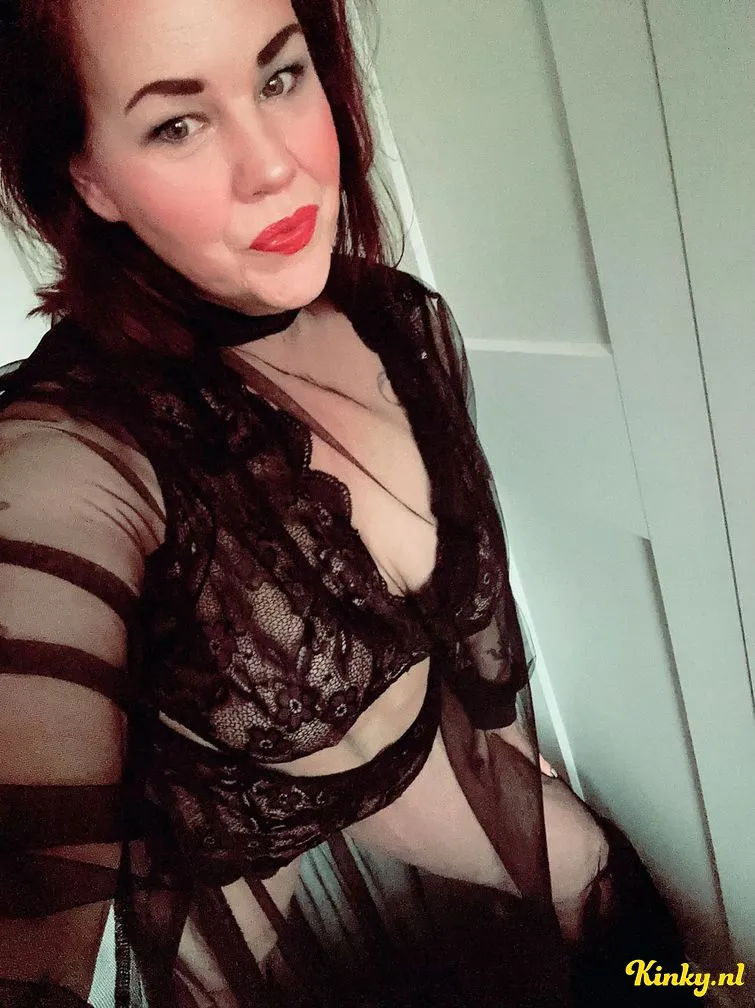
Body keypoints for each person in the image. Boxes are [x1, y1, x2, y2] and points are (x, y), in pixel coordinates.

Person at [0, 0, 697, 1005]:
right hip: (232, 848)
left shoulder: (399, 321)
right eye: (177, 123)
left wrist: (511, 772)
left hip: (403, 767)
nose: (272, 166)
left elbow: (477, 648)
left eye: (279, 77)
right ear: (89, 178)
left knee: (606, 896)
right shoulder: (74, 460)